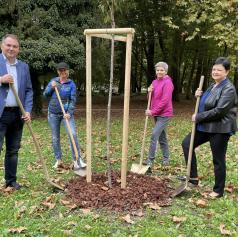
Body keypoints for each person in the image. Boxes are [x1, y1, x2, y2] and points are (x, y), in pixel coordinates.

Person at [181, 57, 237, 198]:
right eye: (214, 69)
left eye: (219, 70)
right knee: (187, 144)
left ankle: (218, 190)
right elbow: (206, 103)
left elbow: (220, 111)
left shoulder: (229, 88)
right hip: (205, 125)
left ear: (227, 72)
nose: (215, 72)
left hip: (219, 128)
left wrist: (198, 117)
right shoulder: (213, 86)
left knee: (218, 159)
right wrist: (198, 95)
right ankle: (193, 178)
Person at [0, 34, 33, 190]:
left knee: (13, 150)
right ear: (2, 46)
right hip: (1, 114)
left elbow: (28, 90)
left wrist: (27, 110)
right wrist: (0, 80)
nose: (11, 48)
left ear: (18, 49)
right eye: (8, 45)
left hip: (17, 114)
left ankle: (11, 181)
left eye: (15, 46)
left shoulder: (23, 67)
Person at [43, 62, 86, 170]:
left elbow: (73, 100)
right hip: (53, 114)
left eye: (65, 70)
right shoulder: (54, 81)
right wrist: (51, 88)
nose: (63, 73)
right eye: (61, 71)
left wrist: (69, 113)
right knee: (55, 137)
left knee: (73, 134)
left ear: (68, 71)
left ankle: (77, 160)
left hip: (66, 114)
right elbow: (45, 95)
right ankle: (58, 160)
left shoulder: (71, 84)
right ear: (58, 72)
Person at [143, 62, 174, 168]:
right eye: (158, 70)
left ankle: (150, 160)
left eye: (162, 70)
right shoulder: (154, 82)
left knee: (154, 135)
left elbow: (165, 101)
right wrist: (149, 91)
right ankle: (166, 158)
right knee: (162, 137)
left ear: (166, 71)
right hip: (156, 113)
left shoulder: (168, 83)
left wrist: (152, 111)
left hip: (165, 114)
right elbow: (150, 99)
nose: (159, 72)